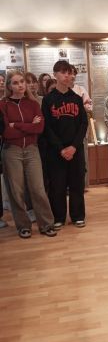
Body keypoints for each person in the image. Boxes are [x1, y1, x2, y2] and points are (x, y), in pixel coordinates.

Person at [0, 71, 57, 238]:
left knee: (38, 189)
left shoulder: (33, 104)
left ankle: (46, 224)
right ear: (9, 86)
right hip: (12, 150)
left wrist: (17, 125)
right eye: (15, 82)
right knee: (16, 191)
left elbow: (39, 128)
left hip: (32, 149)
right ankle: (23, 226)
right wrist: (28, 125)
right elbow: (6, 132)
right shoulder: (3, 105)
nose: (20, 85)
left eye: (22, 81)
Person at [42, 61, 88, 229]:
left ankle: (77, 216)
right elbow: (46, 127)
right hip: (56, 151)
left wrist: (74, 147)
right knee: (57, 186)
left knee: (77, 184)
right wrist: (61, 149)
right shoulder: (48, 100)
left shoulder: (76, 98)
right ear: (55, 74)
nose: (67, 75)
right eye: (63, 72)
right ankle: (58, 216)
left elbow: (83, 124)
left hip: (75, 149)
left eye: (69, 72)